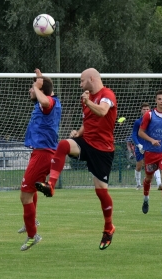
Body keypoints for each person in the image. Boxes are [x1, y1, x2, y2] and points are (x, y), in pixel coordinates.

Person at [35, 68, 117, 250]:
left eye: (82, 81)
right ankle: (51, 185)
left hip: (103, 150)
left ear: (91, 79)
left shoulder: (107, 94)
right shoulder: (86, 99)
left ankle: (108, 227)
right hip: (87, 143)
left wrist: (88, 101)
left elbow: (103, 112)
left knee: (101, 192)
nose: (80, 84)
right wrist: (78, 132)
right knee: (64, 144)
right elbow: (87, 123)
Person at [18, 69, 62, 251]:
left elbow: (45, 99)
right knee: (33, 188)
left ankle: (32, 235)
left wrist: (38, 86)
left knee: (24, 195)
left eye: (33, 88)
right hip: (40, 152)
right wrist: (40, 78)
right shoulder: (48, 102)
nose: (30, 91)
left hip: (44, 154)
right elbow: (45, 97)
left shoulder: (48, 102)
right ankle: (32, 222)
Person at [131, 102, 162, 190]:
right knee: (139, 166)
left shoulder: (153, 121)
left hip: (150, 146)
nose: (145, 110)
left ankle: (159, 184)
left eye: (147, 109)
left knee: (153, 164)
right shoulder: (138, 122)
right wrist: (138, 145)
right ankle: (138, 184)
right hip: (140, 147)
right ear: (141, 111)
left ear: (150, 110)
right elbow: (134, 135)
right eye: (144, 109)